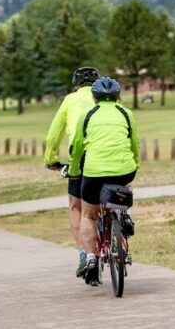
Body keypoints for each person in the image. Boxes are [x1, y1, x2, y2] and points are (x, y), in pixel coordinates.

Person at [68, 76, 140, 285]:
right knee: (124, 185)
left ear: (94, 96)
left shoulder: (87, 115)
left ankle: (90, 259)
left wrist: (74, 170)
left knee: (89, 215)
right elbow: (134, 144)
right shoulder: (127, 114)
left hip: (93, 172)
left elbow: (78, 147)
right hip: (124, 170)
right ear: (118, 96)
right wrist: (135, 165)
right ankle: (123, 215)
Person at [44, 66, 100, 278]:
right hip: (107, 157)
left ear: (75, 85)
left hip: (80, 158)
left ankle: (84, 253)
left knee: (76, 206)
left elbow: (54, 135)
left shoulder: (69, 100)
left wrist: (50, 160)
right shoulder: (106, 98)